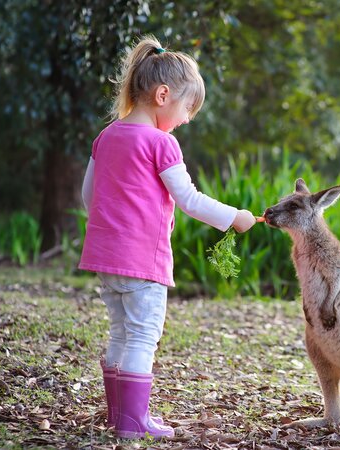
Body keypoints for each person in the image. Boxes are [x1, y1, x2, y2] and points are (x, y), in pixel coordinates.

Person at [78, 35, 256, 439]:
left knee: (120, 332)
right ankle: (132, 423)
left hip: (105, 258)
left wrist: (113, 227)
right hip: (143, 260)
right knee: (143, 336)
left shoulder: (107, 136)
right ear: (163, 95)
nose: (187, 118)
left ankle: (117, 415)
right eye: (187, 108)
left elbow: (89, 196)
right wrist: (236, 218)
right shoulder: (162, 143)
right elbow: (189, 199)